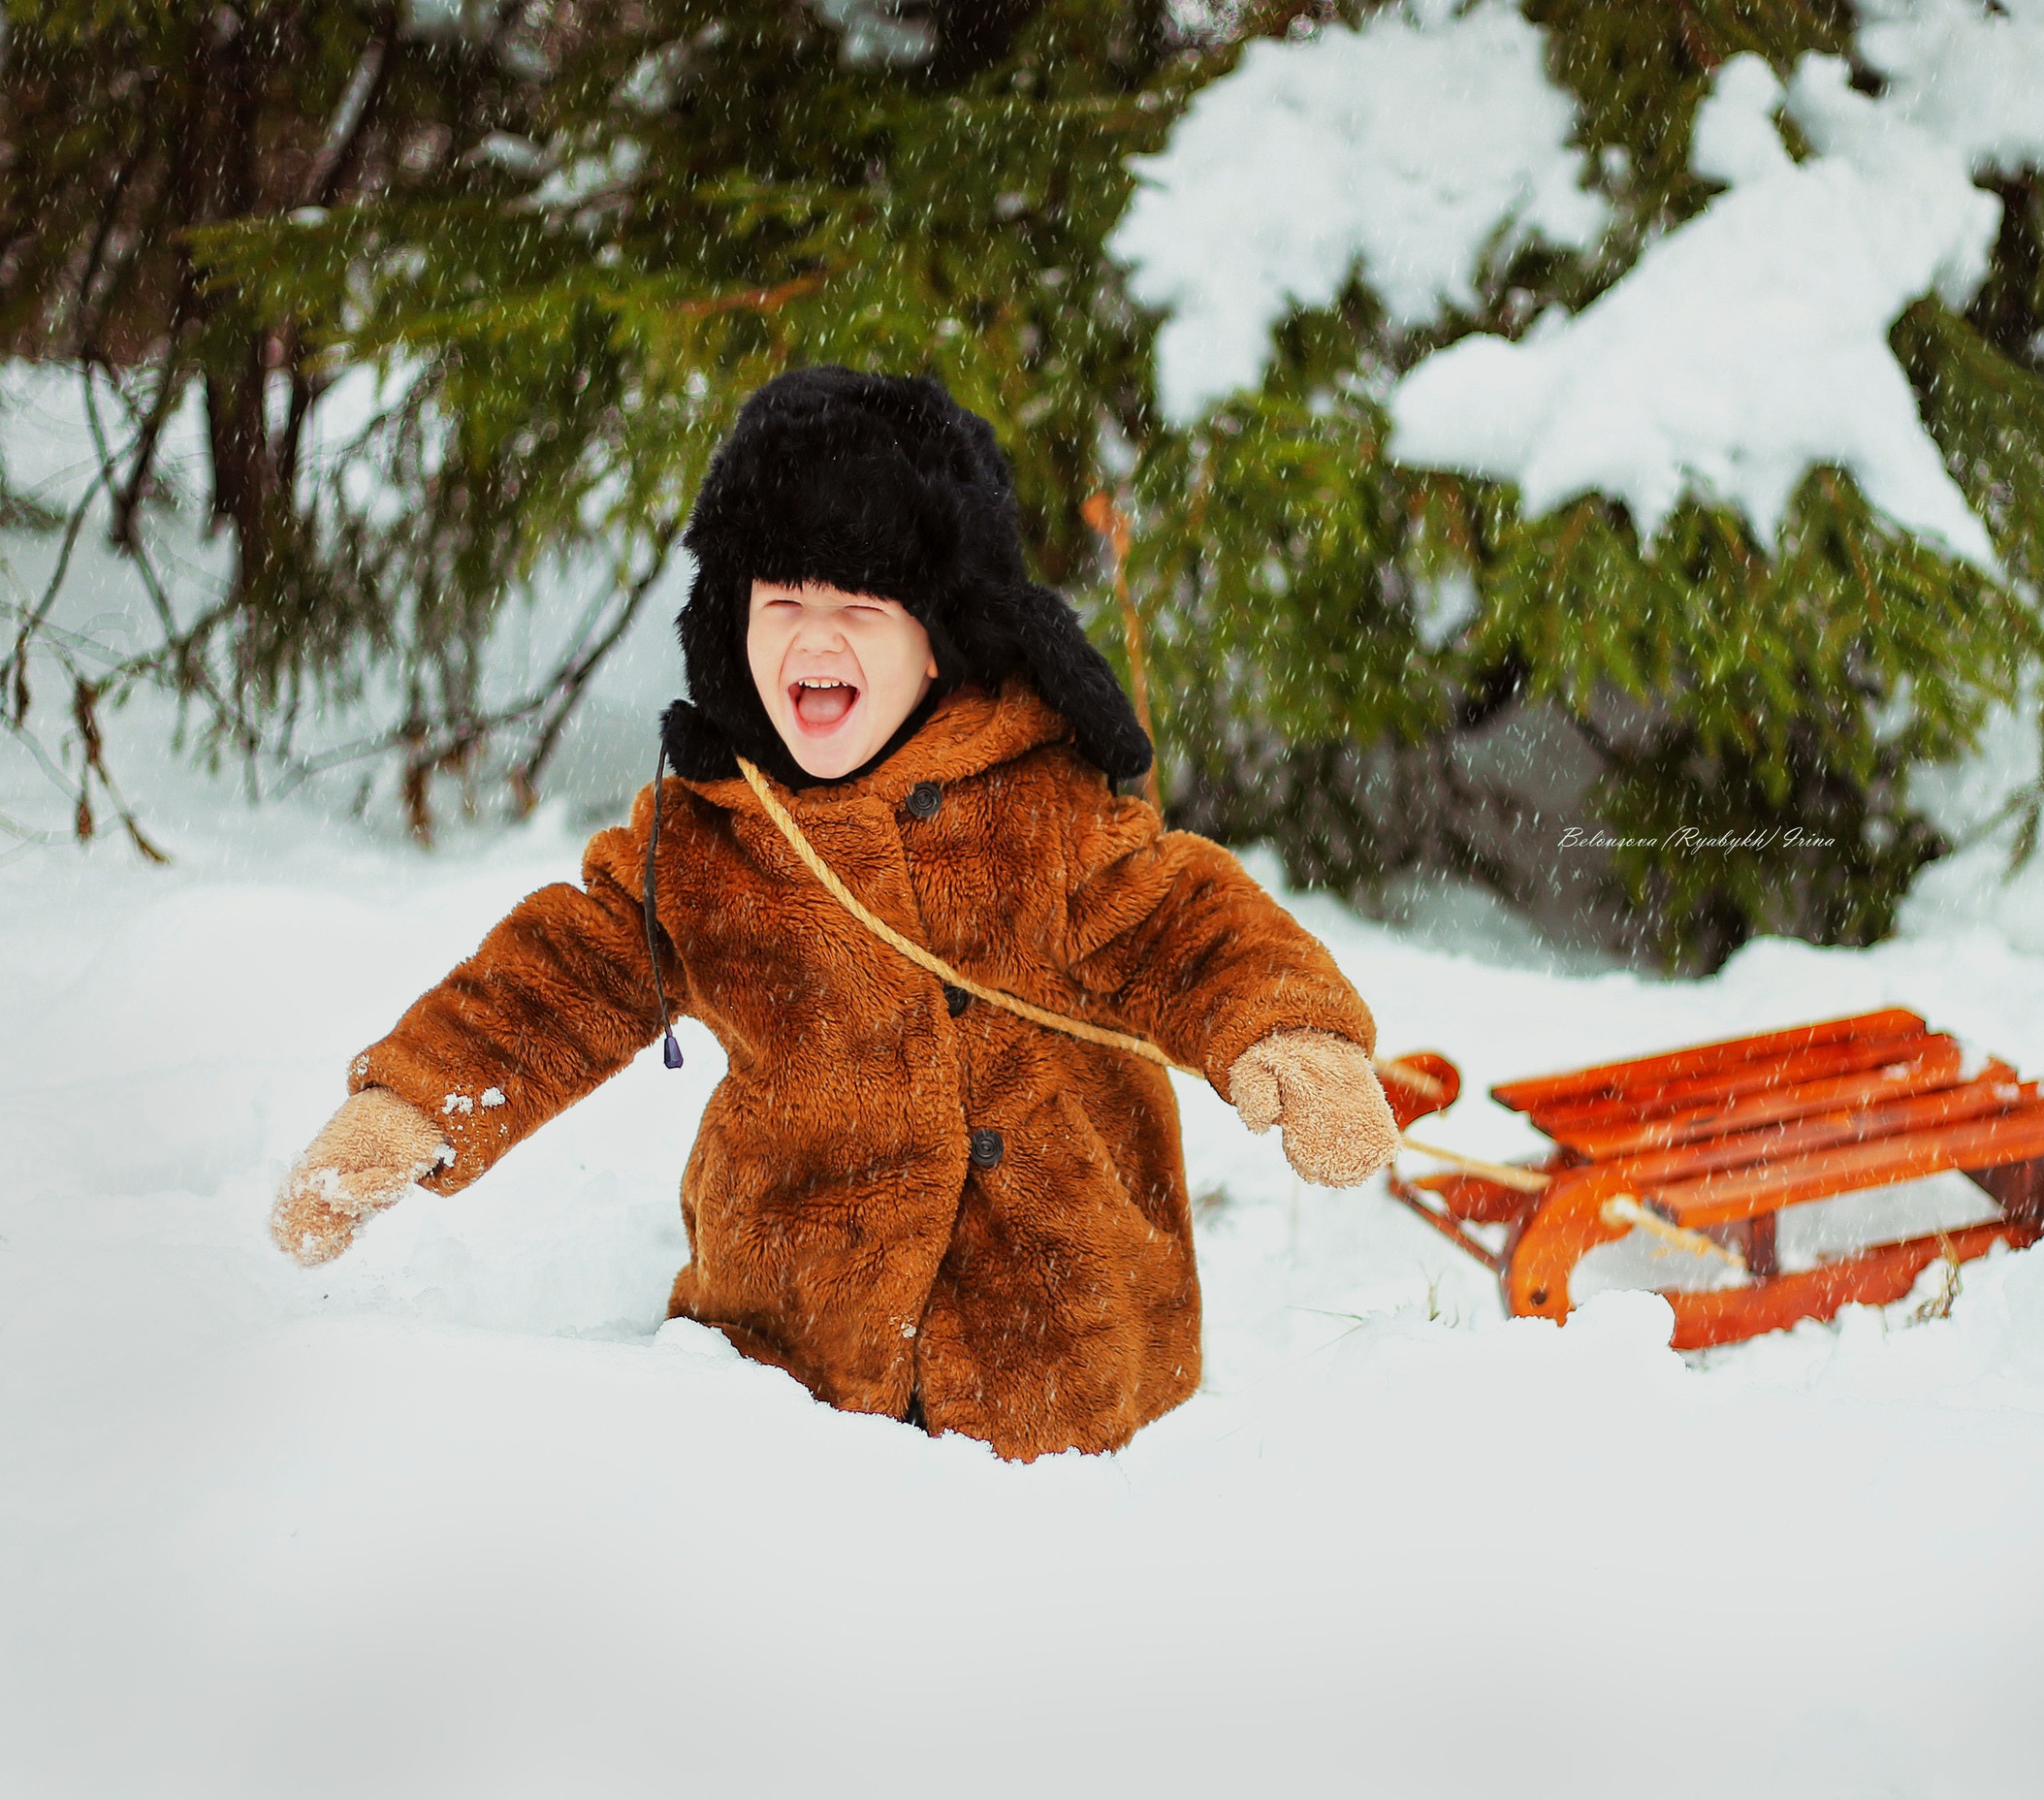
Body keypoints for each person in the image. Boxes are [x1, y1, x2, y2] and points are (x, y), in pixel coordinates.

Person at [267, 367, 1402, 1459]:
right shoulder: (713, 833)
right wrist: (416, 1100)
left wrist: (1287, 1029)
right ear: (733, 619)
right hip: (787, 1373)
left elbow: (1182, 917)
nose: (815, 638)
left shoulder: (1040, 804)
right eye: (782, 601)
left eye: (860, 606)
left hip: (1067, 1373)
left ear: (936, 637)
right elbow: (566, 967)